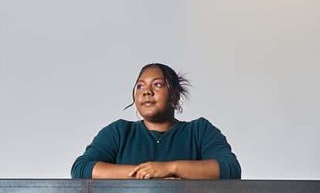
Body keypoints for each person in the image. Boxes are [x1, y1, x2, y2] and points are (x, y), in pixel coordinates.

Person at [71, 63, 241, 179]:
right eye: (140, 86)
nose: (147, 92)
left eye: (158, 85)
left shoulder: (199, 131)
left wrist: (169, 169)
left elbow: (230, 169)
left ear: (174, 94)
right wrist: (145, 173)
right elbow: (81, 169)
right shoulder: (119, 132)